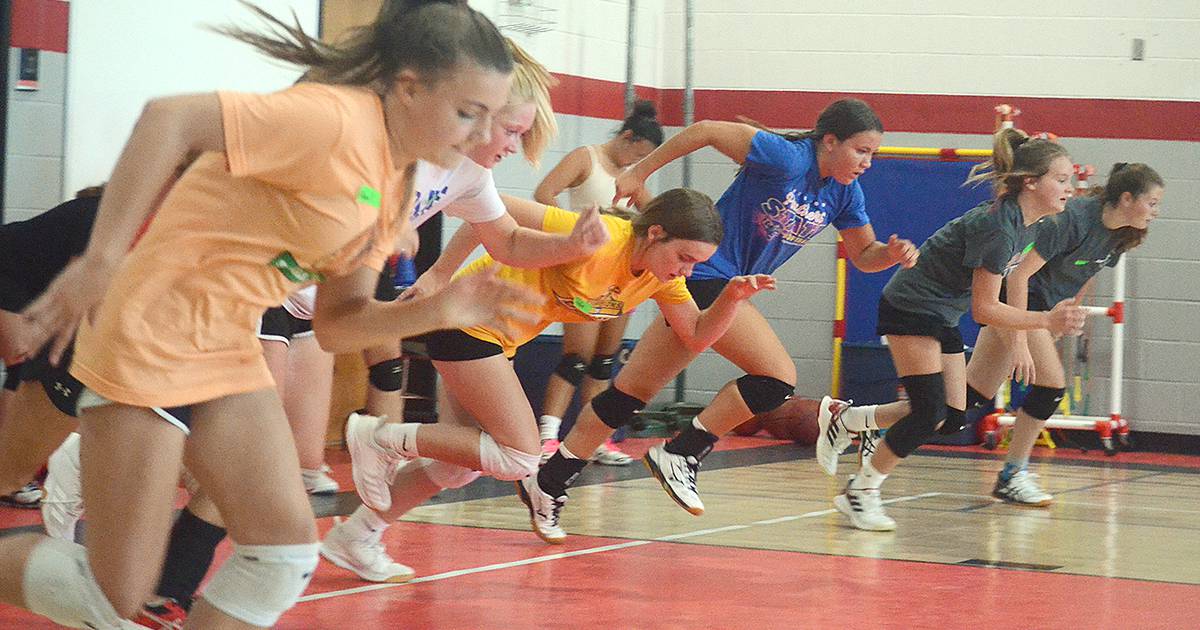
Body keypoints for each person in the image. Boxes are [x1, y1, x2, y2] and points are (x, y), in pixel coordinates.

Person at [0, 3, 548, 628]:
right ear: (409, 88)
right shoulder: (331, 119)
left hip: (226, 343)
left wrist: (437, 309)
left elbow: (338, 323)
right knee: (113, 596)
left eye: (491, 119)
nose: (482, 138)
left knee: (282, 554)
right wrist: (100, 260)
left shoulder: (396, 182)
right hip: (152, 330)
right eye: (468, 114)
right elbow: (168, 119)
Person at [521, 99, 922, 543]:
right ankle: (684, 452)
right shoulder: (787, 158)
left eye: (873, 155)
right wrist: (640, 172)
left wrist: (890, 254)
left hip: (706, 282)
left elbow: (865, 256)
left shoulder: (845, 193)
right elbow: (707, 129)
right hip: (705, 274)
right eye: (861, 151)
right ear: (829, 141)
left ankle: (549, 480)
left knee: (628, 393)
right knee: (776, 378)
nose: (867, 163)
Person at [343, 189, 775, 558]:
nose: (686, 270)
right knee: (520, 456)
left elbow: (697, 336)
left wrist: (732, 299)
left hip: (499, 341)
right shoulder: (603, 238)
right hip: (468, 322)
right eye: (683, 257)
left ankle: (357, 536)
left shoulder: (661, 280)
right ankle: (378, 437)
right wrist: (438, 274)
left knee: (458, 469)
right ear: (655, 233)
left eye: (695, 264)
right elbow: (486, 210)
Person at [817, 128, 1086, 532]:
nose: (1070, 188)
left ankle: (849, 420)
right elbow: (985, 308)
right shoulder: (999, 228)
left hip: (940, 313)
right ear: (1031, 182)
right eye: (1061, 180)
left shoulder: (1028, 225)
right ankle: (861, 492)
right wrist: (1043, 321)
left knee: (953, 417)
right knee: (928, 413)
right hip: (912, 306)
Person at [964, 162, 1162, 506]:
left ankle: (863, 423)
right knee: (1052, 386)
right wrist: (1022, 337)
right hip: (1017, 300)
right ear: (1127, 198)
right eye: (1152, 203)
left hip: (1044, 310)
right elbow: (1017, 277)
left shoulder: (1119, 235)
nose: (1155, 212)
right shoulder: (1072, 219)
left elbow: (1087, 273)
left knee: (963, 401)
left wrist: (1068, 315)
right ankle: (1013, 475)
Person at [531, 100, 664, 466]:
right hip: (585, 271)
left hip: (620, 275)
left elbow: (658, 215)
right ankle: (548, 438)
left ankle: (592, 441)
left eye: (638, 161)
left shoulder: (630, 176)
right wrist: (577, 227)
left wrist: (636, 193)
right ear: (625, 137)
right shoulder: (585, 158)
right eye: (631, 155)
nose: (629, 164)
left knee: (604, 362)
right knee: (577, 358)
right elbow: (544, 193)